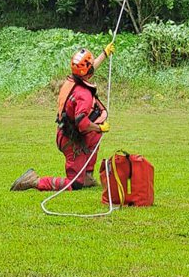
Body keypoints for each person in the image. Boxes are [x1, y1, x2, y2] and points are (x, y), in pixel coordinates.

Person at [10, 42, 115, 192]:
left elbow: (88, 70)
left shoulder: (72, 81)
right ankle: (35, 181)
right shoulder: (83, 95)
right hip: (71, 142)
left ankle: (87, 176)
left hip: (66, 133)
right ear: (87, 71)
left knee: (94, 137)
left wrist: (104, 54)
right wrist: (100, 127)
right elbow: (82, 124)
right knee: (74, 184)